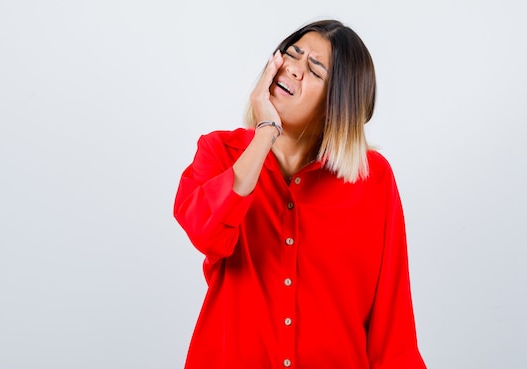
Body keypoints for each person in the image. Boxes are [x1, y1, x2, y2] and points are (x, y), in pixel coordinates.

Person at [173, 20, 426, 369]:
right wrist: (265, 133)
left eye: (315, 69)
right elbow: (205, 232)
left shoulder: (373, 178)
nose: (293, 67)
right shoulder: (220, 152)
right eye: (292, 54)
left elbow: (392, 328)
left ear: (337, 104)